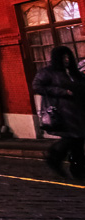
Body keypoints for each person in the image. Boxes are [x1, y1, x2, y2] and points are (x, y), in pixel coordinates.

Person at [33, 46, 85, 178]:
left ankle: (75, 167)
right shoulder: (48, 72)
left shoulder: (74, 72)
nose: (67, 60)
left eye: (68, 57)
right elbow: (37, 86)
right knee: (73, 137)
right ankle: (56, 157)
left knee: (78, 139)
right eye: (64, 57)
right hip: (63, 110)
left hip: (78, 109)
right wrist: (62, 92)